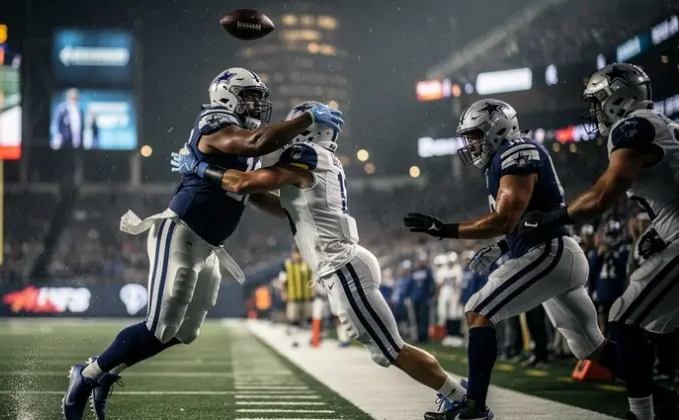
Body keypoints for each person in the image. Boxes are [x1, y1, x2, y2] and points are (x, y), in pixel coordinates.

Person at [172, 100, 491, 417]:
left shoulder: (306, 154)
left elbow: (243, 183)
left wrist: (200, 168)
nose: (287, 135)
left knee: (390, 349)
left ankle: (462, 398)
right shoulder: (319, 159)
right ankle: (460, 395)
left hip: (343, 266)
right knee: (386, 349)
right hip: (343, 265)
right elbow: (281, 207)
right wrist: (234, 184)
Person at [61, 68, 343, 420]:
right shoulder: (215, 120)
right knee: (159, 325)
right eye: (249, 96)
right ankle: (87, 375)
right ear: (226, 95)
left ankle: (107, 371)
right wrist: (307, 118)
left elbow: (252, 192)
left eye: (259, 97)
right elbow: (256, 143)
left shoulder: (246, 141)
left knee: (184, 332)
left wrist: (301, 211)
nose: (257, 104)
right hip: (180, 232)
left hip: (208, 246)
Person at [404, 98, 626, 420]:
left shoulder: (516, 152)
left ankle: (475, 407)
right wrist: (503, 247)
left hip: (549, 252)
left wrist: (444, 229)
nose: (471, 144)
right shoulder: (503, 159)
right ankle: (660, 396)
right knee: (590, 346)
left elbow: (505, 219)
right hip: (552, 253)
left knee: (479, 310)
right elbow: (522, 222)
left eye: (475, 135)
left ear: (496, 130)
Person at [517, 63, 679, 420]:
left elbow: (606, 191)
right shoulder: (657, 124)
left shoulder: (633, 126)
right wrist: (657, 230)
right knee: (656, 326)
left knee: (623, 321)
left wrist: (554, 217)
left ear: (618, 98)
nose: (594, 111)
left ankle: (646, 413)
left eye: (597, 101)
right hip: (671, 230)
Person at [281, 247, 314, 346]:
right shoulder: (287, 265)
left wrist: (313, 292)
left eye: (299, 253)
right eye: (295, 253)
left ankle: (309, 339)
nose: (297, 256)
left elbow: (312, 279)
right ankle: (294, 340)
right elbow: (282, 281)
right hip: (293, 298)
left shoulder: (307, 264)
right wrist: (284, 293)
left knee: (308, 319)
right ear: (292, 254)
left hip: (306, 297)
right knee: (294, 320)